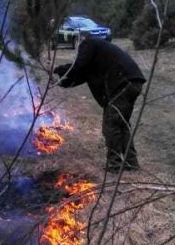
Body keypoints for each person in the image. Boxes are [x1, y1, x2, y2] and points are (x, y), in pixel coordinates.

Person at [54, 33, 146, 172]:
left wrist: (56, 69)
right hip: (132, 82)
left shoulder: (89, 43)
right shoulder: (95, 58)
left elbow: (78, 66)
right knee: (122, 123)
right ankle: (131, 163)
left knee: (111, 124)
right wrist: (57, 81)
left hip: (123, 83)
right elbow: (78, 76)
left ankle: (114, 164)